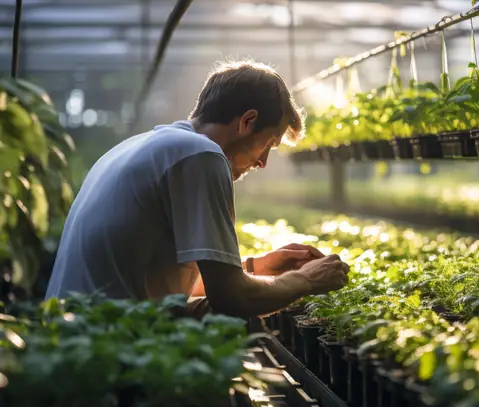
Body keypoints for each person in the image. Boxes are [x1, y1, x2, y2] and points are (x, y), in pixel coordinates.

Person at [45, 60, 350, 318]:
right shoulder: (200, 155)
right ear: (247, 121)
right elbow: (232, 299)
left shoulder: (144, 147)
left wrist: (256, 267)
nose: (263, 163)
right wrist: (305, 280)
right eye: (269, 144)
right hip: (105, 352)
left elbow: (163, 283)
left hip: (73, 338)